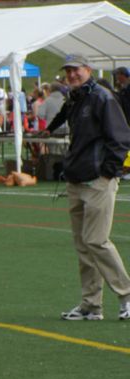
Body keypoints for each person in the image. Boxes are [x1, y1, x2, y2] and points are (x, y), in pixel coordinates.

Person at [41, 56, 130, 322]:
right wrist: (50, 129)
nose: (71, 75)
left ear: (88, 70)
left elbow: (121, 138)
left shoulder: (102, 98)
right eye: (68, 71)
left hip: (97, 180)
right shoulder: (76, 97)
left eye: (76, 70)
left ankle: (126, 294)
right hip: (76, 179)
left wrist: (107, 172)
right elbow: (63, 115)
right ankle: (91, 304)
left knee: (96, 240)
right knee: (83, 244)